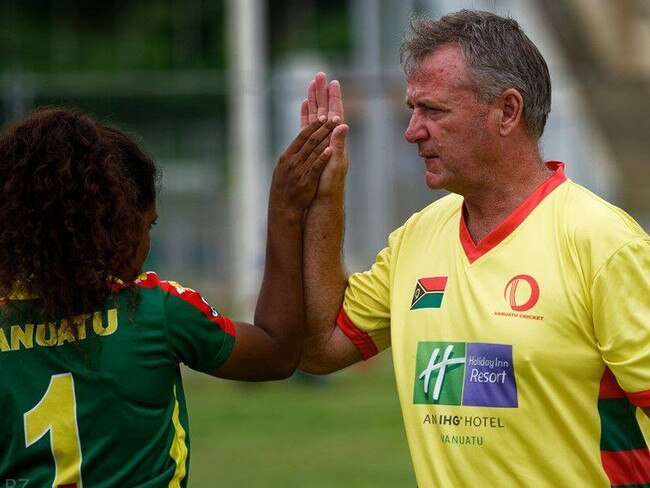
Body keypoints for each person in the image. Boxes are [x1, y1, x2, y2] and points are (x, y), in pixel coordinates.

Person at [298, 9, 650, 487]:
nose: (412, 130)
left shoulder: (605, 245)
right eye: (412, 110)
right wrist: (326, 200)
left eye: (434, 111)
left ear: (507, 111)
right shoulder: (416, 238)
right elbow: (320, 349)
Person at [0, 107, 337, 486]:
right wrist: (285, 208)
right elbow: (276, 352)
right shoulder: (154, 310)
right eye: (148, 225)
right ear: (111, 226)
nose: (147, 243)